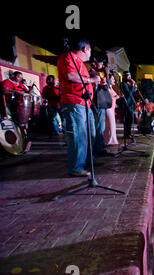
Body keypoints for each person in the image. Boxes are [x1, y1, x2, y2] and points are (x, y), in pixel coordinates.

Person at [57, 38, 101, 177]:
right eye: (90, 51)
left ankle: (88, 161)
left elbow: (82, 81)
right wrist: (91, 80)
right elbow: (70, 75)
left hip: (84, 103)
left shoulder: (80, 63)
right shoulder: (68, 57)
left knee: (90, 134)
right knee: (78, 135)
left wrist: (94, 83)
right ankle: (76, 167)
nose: (90, 54)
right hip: (74, 102)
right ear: (85, 49)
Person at [89, 56, 113, 157]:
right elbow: (106, 86)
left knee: (100, 127)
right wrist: (107, 75)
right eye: (101, 63)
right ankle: (98, 149)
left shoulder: (97, 74)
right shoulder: (92, 74)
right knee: (99, 127)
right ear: (94, 63)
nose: (103, 65)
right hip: (97, 104)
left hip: (101, 104)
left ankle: (100, 148)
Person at [120, 71, 138, 140]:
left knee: (130, 119)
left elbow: (132, 93)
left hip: (130, 103)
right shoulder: (123, 84)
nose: (130, 77)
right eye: (128, 75)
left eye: (130, 75)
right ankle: (126, 134)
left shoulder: (128, 84)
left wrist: (134, 88)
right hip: (126, 103)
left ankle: (129, 134)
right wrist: (133, 86)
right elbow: (128, 93)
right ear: (124, 76)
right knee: (127, 119)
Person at [104, 73, 120, 145]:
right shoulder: (106, 88)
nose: (114, 80)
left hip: (112, 108)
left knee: (110, 125)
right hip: (109, 108)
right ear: (109, 80)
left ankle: (109, 140)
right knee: (110, 125)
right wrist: (115, 97)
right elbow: (107, 98)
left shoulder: (111, 88)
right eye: (113, 79)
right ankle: (110, 141)